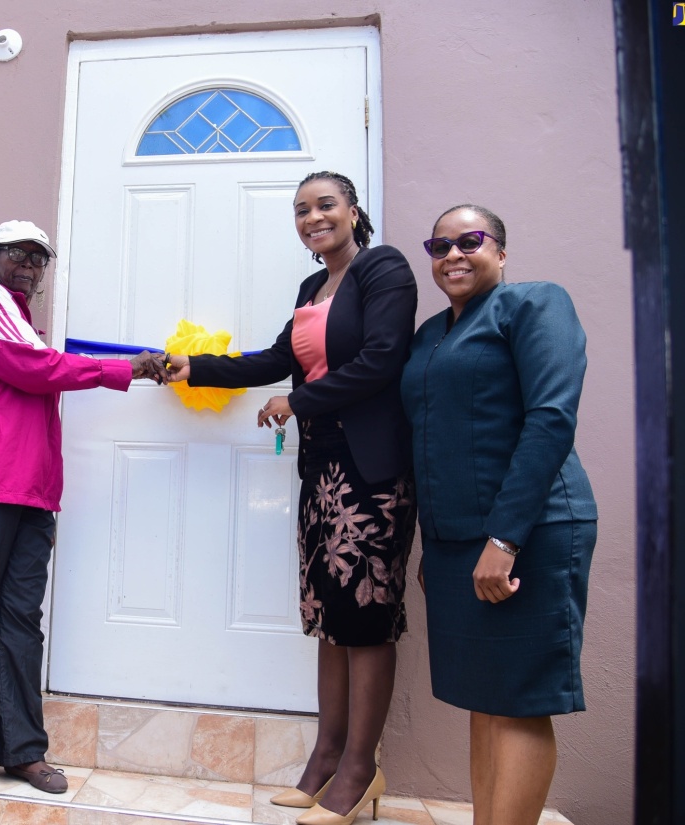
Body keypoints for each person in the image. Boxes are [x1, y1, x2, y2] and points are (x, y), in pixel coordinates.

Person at [166, 171, 417, 825]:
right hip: (323, 468)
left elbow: (383, 359)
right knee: (331, 617)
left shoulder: (383, 270)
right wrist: (196, 367)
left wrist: (297, 401)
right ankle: (325, 757)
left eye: (325, 205)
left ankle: (361, 768)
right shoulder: (312, 288)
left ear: (354, 211)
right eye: (301, 209)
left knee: (365, 617)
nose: (312, 218)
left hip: (373, 472)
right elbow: (278, 357)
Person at [0, 220, 165, 796]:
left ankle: (21, 751)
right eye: (17, 255)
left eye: (39, 259)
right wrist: (124, 368)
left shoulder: (24, 321)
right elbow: (34, 367)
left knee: (19, 623)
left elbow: (42, 360)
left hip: (29, 491)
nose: (28, 267)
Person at [401, 205, 597, 825]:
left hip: (530, 531)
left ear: (501, 251)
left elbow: (551, 420)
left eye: (470, 241)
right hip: (457, 539)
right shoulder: (430, 334)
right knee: (484, 700)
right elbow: (431, 437)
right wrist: (435, 545)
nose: (453, 255)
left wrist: (505, 540)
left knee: (517, 700)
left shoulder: (535, 305)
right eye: (440, 245)